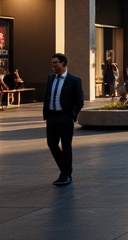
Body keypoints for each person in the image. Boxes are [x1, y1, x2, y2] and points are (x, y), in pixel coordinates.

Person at [42, 52, 84, 186]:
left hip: (65, 117)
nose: (53, 65)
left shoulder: (74, 80)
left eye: (56, 63)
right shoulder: (50, 78)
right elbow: (47, 96)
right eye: (52, 63)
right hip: (52, 117)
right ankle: (65, 170)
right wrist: (47, 114)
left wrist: (72, 115)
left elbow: (79, 101)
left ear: (64, 63)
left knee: (66, 146)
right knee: (52, 144)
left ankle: (66, 174)